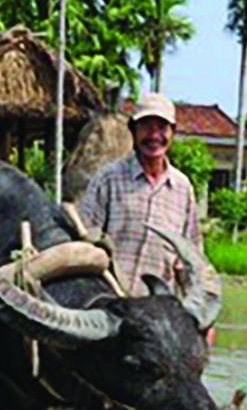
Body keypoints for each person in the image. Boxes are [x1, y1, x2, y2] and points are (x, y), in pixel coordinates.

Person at [77, 92, 203, 298]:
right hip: (111, 305)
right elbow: (84, 244)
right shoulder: (108, 179)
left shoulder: (182, 188)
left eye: (161, 127)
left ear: (173, 132)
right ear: (133, 130)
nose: (154, 136)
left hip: (160, 311)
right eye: (146, 126)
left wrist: (202, 319)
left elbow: (189, 262)